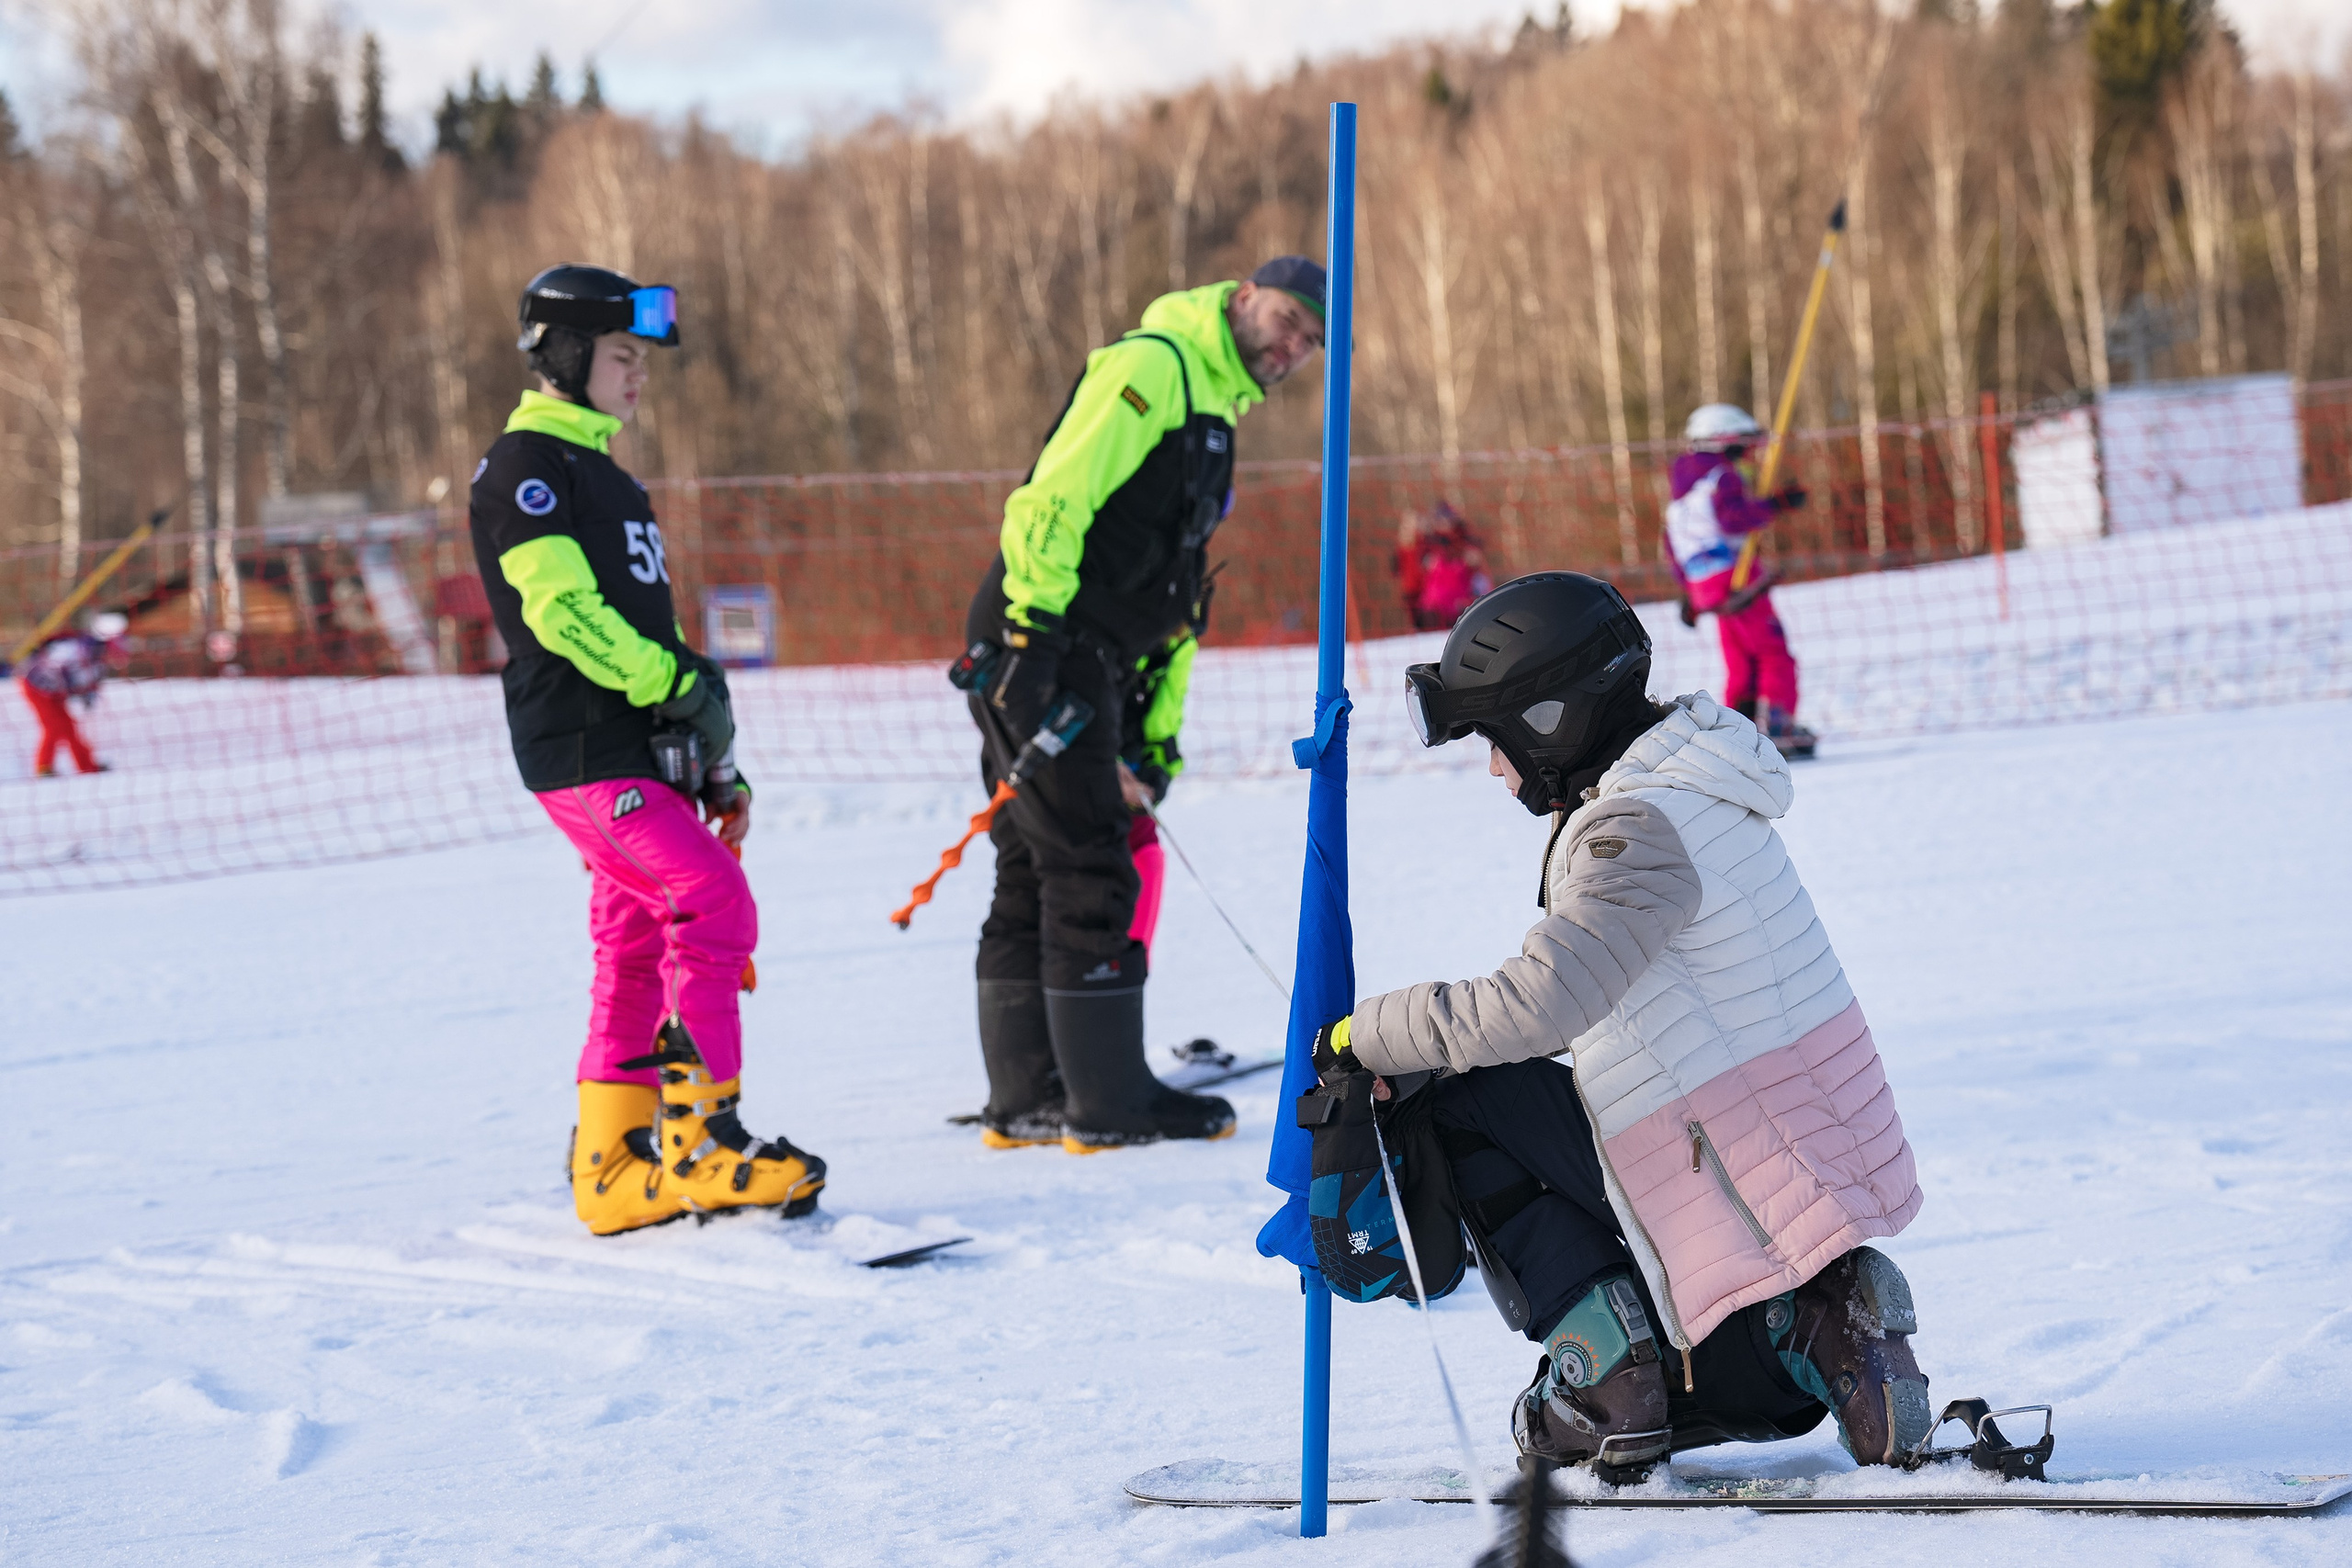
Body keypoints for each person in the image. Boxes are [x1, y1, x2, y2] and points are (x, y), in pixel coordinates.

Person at [1315, 571, 1929, 1483]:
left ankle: (1610, 1377)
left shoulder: (1633, 827)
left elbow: (1544, 1002)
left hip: (1734, 1160)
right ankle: (1811, 1317)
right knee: (1510, 1086)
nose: (1493, 770)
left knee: (1462, 1103)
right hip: (1776, 1161)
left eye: (1494, 741)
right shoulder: (1697, 785)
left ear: (1549, 719)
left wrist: (1365, 1037)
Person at [469, 263, 824, 1236]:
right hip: (583, 750)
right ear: (569, 355)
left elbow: (646, 631)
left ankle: (613, 1168)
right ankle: (702, 1145)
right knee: (711, 899)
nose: (641, 376)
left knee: (634, 938)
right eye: (626, 357)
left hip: (633, 749)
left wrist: (710, 750)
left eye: (643, 360)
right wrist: (673, 685)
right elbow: (563, 613)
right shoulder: (525, 469)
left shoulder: (606, 475)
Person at [966, 256, 1324, 1153]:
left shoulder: (1212, 413)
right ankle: (1108, 1101)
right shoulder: (1153, 367)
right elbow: (1053, 499)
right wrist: (1030, 637)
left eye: (1311, 342)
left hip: (1093, 654)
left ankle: (1031, 1095)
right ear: (1243, 296)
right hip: (1044, 638)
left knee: (1035, 858)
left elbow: (1173, 598)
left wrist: (1154, 737)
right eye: (1288, 319)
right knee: (1089, 859)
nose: (1293, 346)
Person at [1665, 405, 1816, 758]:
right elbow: (1733, 519)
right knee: (1773, 653)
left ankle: (1738, 731)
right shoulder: (1722, 476)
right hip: (1736, 578)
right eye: (1746, 443)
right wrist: (1776, 504)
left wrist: (1688, 589)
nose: (1750, 452)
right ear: (1725, 440)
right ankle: (1779, 728)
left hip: (1704, 583)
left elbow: (1671, 543)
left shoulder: (1682, 491)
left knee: (1740, 660)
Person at [17, 612, 124, 776]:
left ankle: (86, 766)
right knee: (56, 726)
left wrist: (88, 695)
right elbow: (55, 666)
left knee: (68, 727)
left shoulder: (97, 662)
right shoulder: (77, 648)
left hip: (55, 691)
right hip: (37, 686)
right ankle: (44, 767)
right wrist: (71, 684)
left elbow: (89, 683)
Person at [1396, 502, 1492, 630]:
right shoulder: (1428, 543)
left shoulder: (1463, 539)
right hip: (1433, 606)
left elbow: (1479, 569)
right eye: (1440, 519)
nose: (1444, 523)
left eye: (1447, 518)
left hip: (1460, 601)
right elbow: (1410, 570)